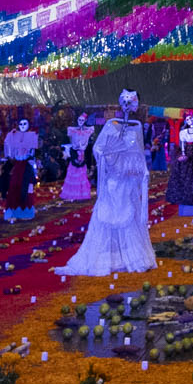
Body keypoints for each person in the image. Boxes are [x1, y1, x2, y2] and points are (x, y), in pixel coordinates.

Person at [58, 89, 156, 277]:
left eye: (131, 103)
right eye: (124, 102)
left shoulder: (136, 127)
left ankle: (128, 256)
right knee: (106, 216)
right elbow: (98, 149)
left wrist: (140, 171)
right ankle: (107, 257)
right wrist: (107, 156)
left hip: (127, 182)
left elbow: (138, 154)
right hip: (112, 181)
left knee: (128, 216)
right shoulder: (111, 126)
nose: (127, 107)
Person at [3, 118, 41, 221]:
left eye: (25, 123)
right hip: (17, 168)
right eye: (21, 123)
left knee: (27, 188)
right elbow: (8, 149)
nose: (23, 125)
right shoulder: (13, 135)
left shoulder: (32, 136)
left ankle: (25, 213)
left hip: (26, 167)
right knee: (14, 188)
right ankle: (14, 212)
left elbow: (32, 153)